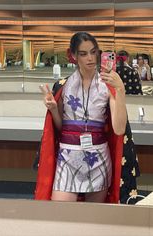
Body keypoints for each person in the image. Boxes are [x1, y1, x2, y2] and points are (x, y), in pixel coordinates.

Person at [35, 32, 128, 203]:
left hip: (98, 158)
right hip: (68, 157)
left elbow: (119, 129)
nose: (90, 58)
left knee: (94, 219)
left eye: (94, 52)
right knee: (61, 215)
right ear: (73, 56)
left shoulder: (107, 85)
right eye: (83, 54)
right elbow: (60, 128)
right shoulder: (63, 86)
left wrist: (120, 89)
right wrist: (54, 110)